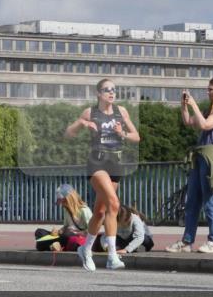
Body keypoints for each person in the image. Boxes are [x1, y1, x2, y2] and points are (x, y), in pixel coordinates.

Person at [65, 78, 141, 271]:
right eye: (107, 90)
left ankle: (85, 249)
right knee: (114, 203)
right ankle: (112, 256)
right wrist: (82, 123)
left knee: (100, 212)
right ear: (99, 94)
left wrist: (122, 133)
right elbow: (68, 134)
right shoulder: (90, 113)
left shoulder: (121, 111)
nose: (111, 92)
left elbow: (136, 137)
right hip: (97, 163)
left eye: (114, 89)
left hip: (115, 164)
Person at [166, 77, 213, 254]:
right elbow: (189, 121)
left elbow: (205, 125)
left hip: (211, 157)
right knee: (192, 201)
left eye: (211, 89)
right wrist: (184, 105)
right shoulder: (209, 110)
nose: (208, 92)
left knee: (210, 200)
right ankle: (187, 241)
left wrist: (194, 104)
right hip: (200, 157)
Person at [38, 184, 92, 252]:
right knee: (39, 232)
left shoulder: (84, 210)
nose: (62, 204)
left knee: (72, 240)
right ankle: (56, 246)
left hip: (77, 237)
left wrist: (77, 233)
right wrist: (59, 231)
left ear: (69, 199)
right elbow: (66, 226)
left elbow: (92, 231)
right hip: (66, 236)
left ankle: (56, 246)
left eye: (62, 201)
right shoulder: (66, 210)